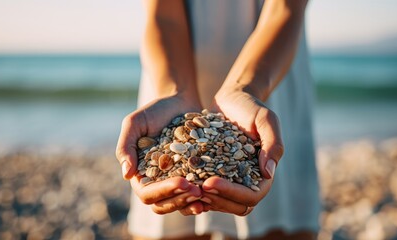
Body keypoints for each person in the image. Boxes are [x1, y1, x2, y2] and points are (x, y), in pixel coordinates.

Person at [116, 0, 320, 239]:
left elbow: (284, 9)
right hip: (169, 78)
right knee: (173, 226)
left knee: (277, 228)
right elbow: (164, 14)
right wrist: (175, 93)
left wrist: (243, 90)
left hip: (269, 73)